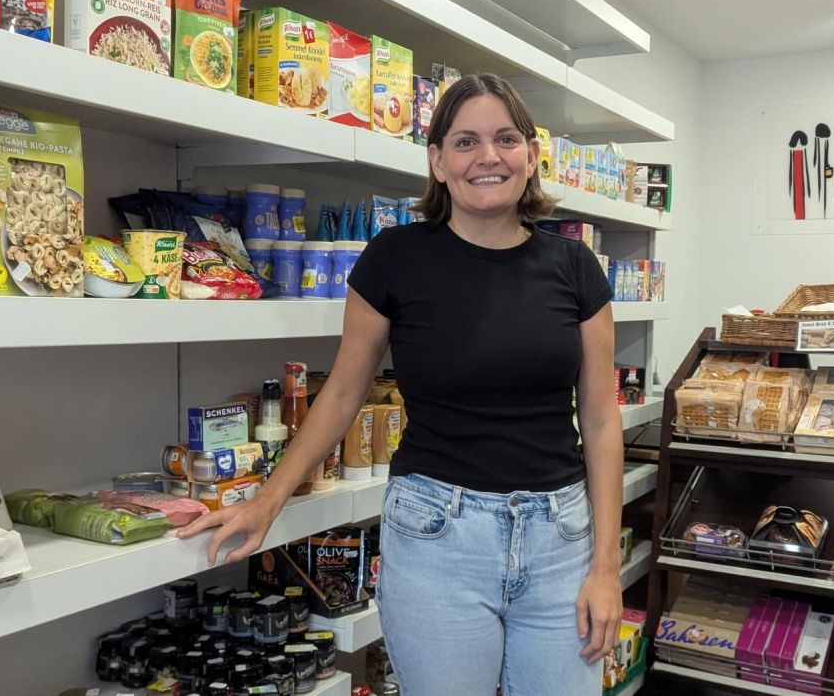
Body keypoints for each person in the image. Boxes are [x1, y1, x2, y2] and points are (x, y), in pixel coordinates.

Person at [180, 72, 623, 696]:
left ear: (530, 156)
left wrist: (607, 566)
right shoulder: (395, 257)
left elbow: (600, 421)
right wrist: (267, 500)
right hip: (437, 537)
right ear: (437, 161)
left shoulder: (575, 267)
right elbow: (342, 393)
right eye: (465, 142)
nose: (488, 156)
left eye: (505, 139)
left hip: (560, 540)